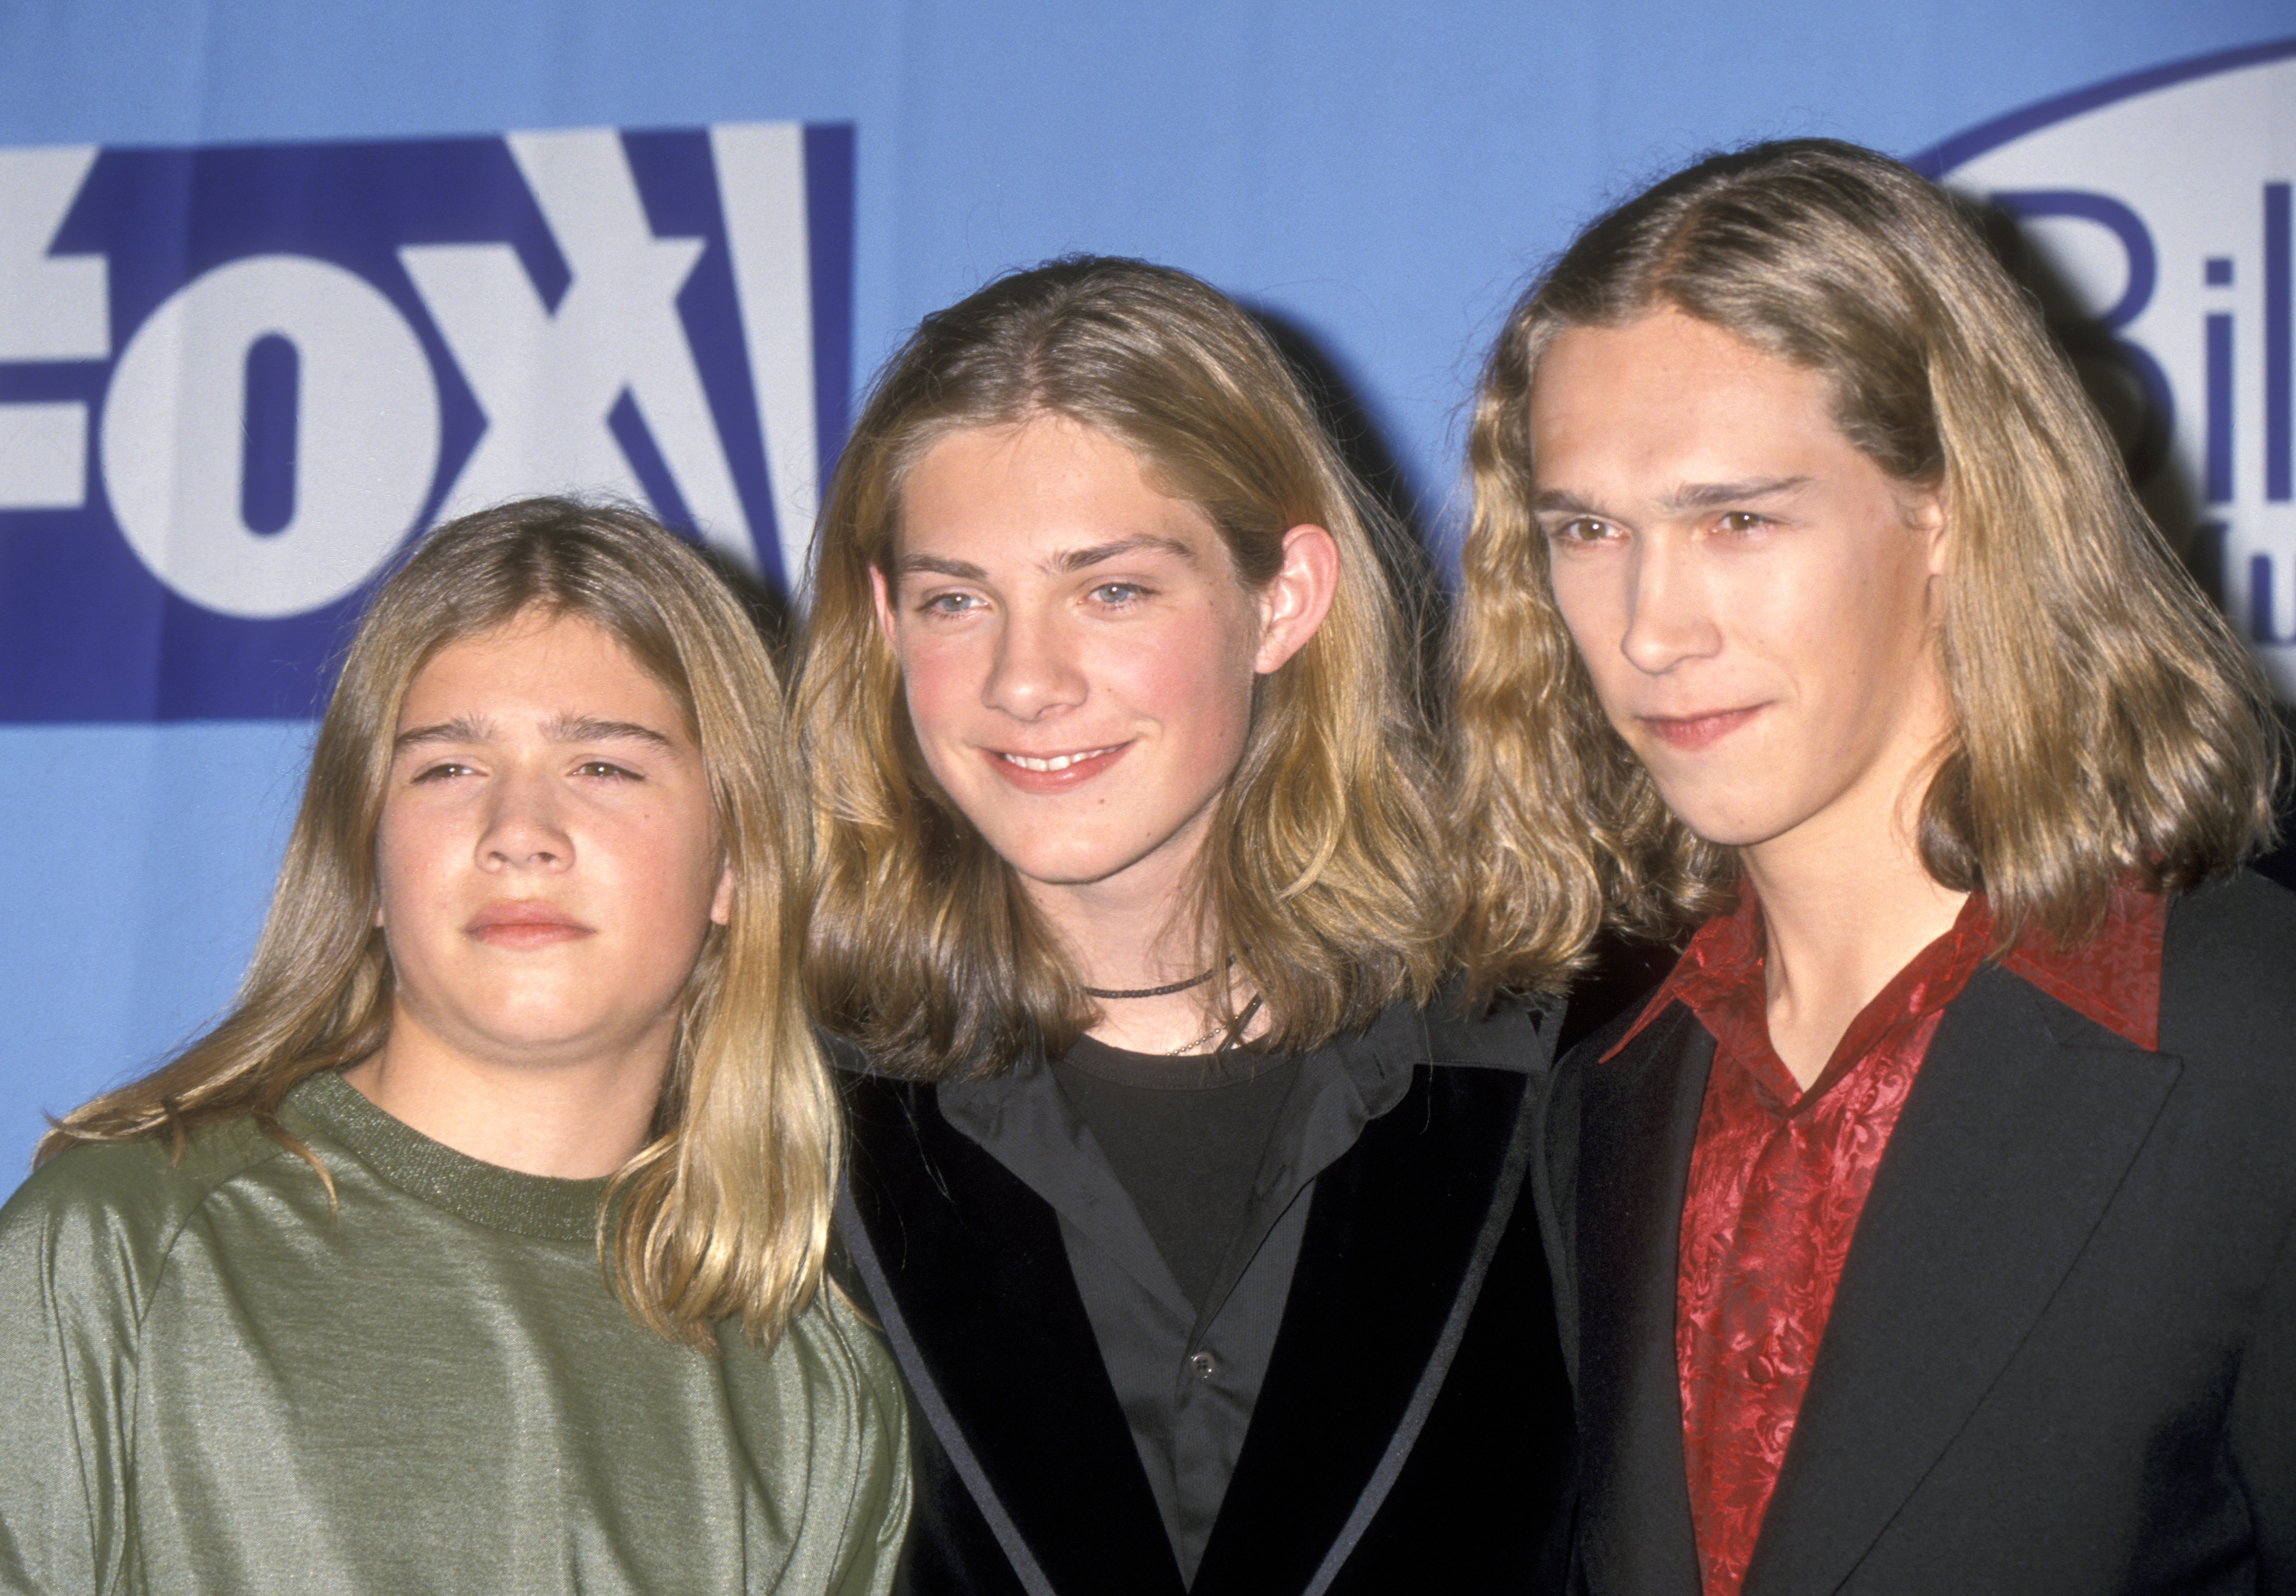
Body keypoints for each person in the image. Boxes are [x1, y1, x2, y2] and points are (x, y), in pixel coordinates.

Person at [1452, 138, 2296, 1594]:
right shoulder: (1602, 1096)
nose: (1651, 627)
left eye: (1737, 518)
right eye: (1588, 530)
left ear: (1949, 507)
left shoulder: (2254, 1037)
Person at [797, 256, 1574, 1595]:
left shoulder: (1564, 1066)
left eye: (1112, 591)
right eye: (956, 600)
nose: (1024, 681)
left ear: (1285, 599)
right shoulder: (778, 1104)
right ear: (886, 623)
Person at [0, 499, 909, 1594]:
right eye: (448, 769)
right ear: (366, 860)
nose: (519, 832)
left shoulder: (812, 1384)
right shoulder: (116, 1251)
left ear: (735, 862)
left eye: (603, 767)